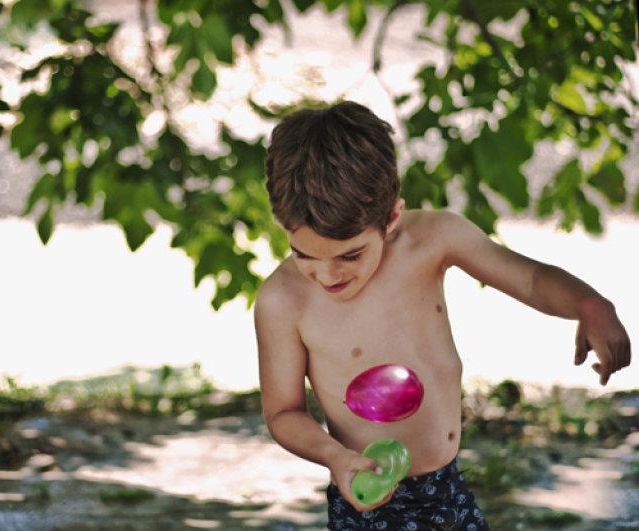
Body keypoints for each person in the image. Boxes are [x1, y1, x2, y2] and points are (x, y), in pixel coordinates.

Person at [253, 101, 632, 530]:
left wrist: (589, 305)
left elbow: (529, 279)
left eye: (350, 254)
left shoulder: (432, 240)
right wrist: (335, 457)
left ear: (391, 217)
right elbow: (284, 412)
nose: (326, 273)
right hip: (370, 501)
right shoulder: (282, 301)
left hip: (448, 488)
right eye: (303, 253)